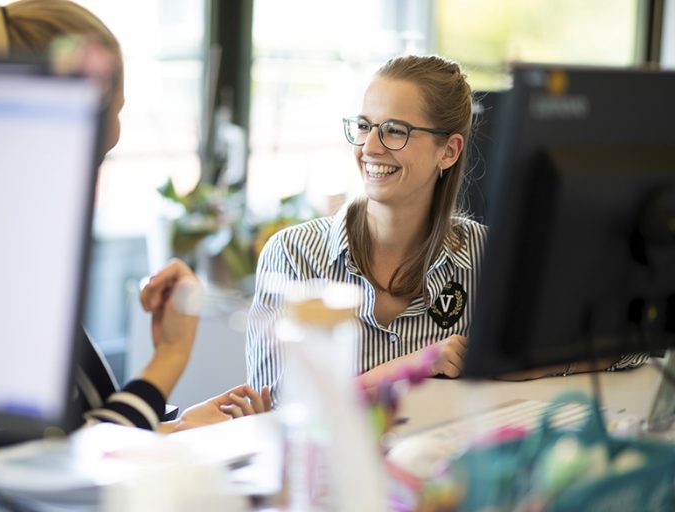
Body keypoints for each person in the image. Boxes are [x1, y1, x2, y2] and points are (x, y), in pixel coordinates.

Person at [0, 0, 268, 440]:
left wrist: (176, 427)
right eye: (117, 109)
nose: (117, 133)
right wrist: (168, 357)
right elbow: (62, 472)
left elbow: (65, 436)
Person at [246, 54, 647, 403]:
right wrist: (416, 366)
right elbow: (279, 406)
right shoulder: (294, 256)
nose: (370, 147)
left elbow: (630, 345)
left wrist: (534, 363)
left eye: (395, 131)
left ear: (449, 151)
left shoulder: (485, 255)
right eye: (365, 126)